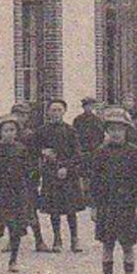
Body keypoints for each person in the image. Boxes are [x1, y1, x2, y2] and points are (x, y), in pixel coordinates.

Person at [86, 108, 137, 274]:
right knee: (107, 245)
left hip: (127, 205)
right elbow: (94, 181)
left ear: (126, 131)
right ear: (107, 131)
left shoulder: (135, 153)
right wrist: (94, 206)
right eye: (112, 129)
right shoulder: (100, 153)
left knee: (128, 245)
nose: (116, 133)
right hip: (107, 205)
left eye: (120, 129)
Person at [0, 115, 37, 274]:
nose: (9, 133)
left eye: (12, 130)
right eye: (6, 130)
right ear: (0, 132)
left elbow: (28, 170)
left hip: (17, 193)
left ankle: (13, 261)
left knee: (15, 228)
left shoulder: (21, 149)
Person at [34, 98, 85, 253]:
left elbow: (77, 154)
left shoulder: (70, 131)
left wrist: (66, 168)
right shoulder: (42, 131)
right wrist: (42, 152)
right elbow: (33, 149)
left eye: (59, 110)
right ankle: (57, 238)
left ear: (64, 112)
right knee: (54, 208)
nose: (56, 113)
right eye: (53, 110)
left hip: (68, 174)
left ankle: (74, 239)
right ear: (48, 112)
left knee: (71, 208)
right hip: (50, 174)